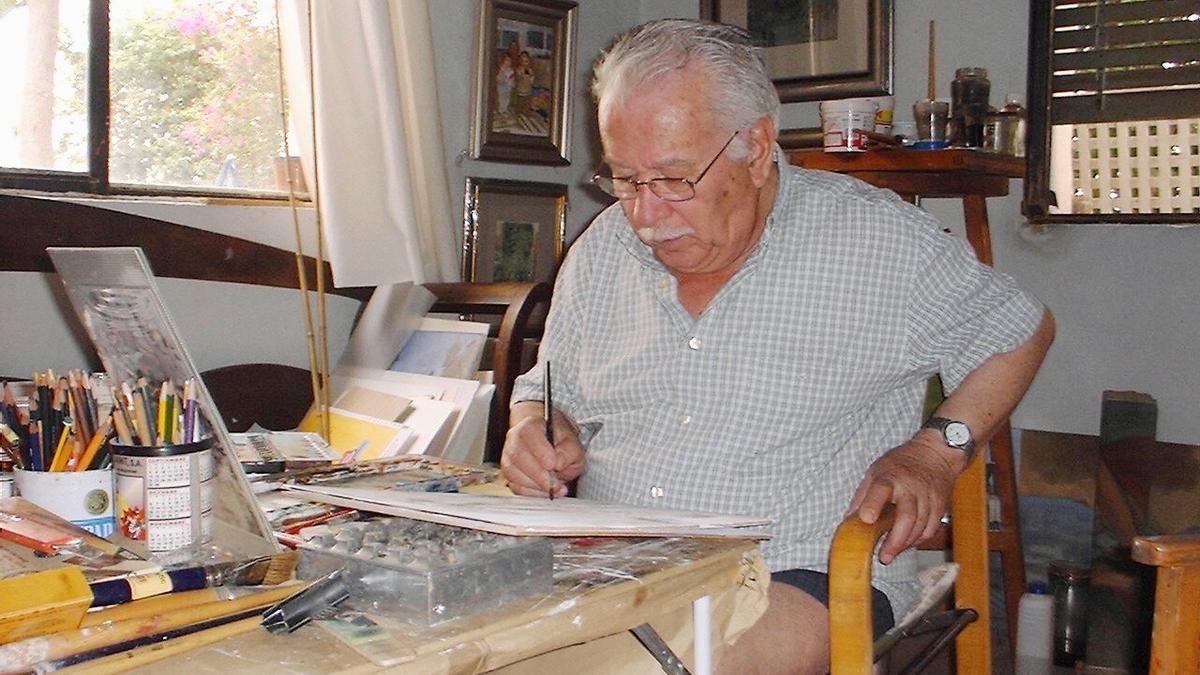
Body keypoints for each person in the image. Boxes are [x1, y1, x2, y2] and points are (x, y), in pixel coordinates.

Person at [500, 18, 1054, 675]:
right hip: (606, 565)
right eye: (624, 178)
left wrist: (937, 451)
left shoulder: (872, 240)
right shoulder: (602, 250)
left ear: (756, 148)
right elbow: (543, 392)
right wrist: (535, 428)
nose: (644, 216)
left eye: (675, 180)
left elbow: (1019, 327)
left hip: (791, 567)